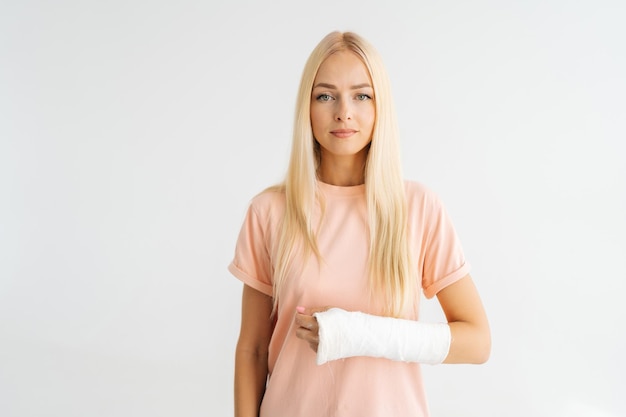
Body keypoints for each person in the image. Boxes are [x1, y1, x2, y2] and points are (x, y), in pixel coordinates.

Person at [228, 30, 491, 417]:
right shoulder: (269, 211)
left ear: (379, 106)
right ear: (307, 106)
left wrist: (354, 334)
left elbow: (478, 341)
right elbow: (251, 348)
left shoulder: (419, 208)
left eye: (361, 95)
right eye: (325, 95)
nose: (343, 112)